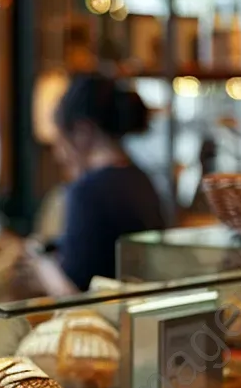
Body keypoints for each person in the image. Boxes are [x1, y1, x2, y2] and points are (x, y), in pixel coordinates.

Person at [26, 74, 165, 295]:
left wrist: (39, 261)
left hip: (106, 323)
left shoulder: (86, 191)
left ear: (82, 131)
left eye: (63, 138)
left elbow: (72, 295)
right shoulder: (141, 179)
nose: (61, 156)